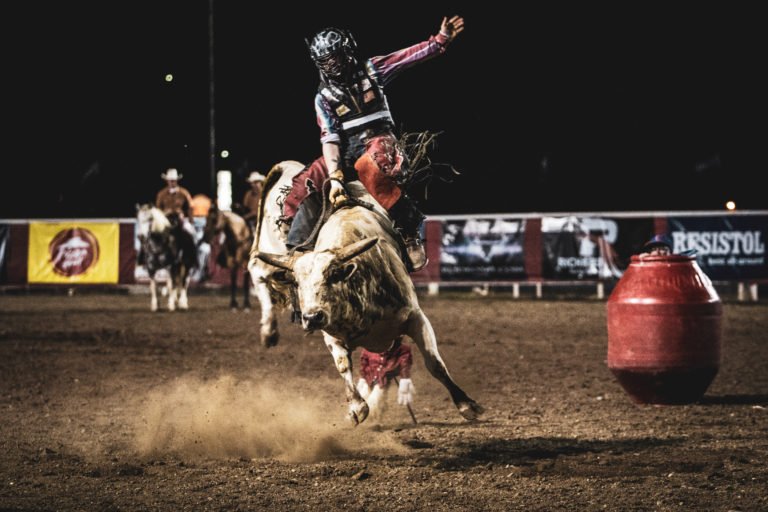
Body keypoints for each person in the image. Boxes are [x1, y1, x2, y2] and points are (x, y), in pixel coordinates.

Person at [285, 15, 465, 272]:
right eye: (327, 60)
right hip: (345, 149)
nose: (334, 64)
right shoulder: (323, 97)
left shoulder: (371, 70)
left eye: (336, 56)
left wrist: (439, 41)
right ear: (319, 63)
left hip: (379, 140)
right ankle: (295, 251)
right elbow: (330, 138)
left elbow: (406, 58)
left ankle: (408, 228)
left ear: (348, 51)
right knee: (306, 182)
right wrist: (335, 175)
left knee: (371, 163)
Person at [356, 338, 415, 422]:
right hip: (368, 377)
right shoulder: (369, 348)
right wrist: (362, 377)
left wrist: (404, 378)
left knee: (375, 400)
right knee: (361, 397)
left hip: (382, 380)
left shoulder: (401, 350)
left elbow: (404, 366)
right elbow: (364, 362)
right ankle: (357, 419)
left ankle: (372, 422)